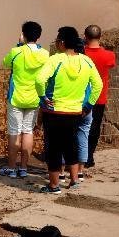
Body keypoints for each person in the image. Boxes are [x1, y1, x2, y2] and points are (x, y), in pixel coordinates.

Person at [35, 26, 102, 193]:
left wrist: (43, 98)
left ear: (62, 42)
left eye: (58, 39)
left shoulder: (55, 60)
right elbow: (98, 85)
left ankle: (54, 185)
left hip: (54, 112)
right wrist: (88, 105)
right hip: (75, 112)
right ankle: (74, 181)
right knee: (71, 146)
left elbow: (39, 79)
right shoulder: (86, 61)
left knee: (54, 149)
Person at [0, 22, 49, 179]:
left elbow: (5, 63)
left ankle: (12, 168)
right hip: (34, 98)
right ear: (38, 36)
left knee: (14, 133)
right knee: (28, 131)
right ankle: (23, 168)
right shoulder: (45, 54)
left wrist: (19, 44)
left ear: (24, 35)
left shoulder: (16, 51)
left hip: (16, 98)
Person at [82, 24, 116, 175]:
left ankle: (77, 158)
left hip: (81, 97)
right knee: (94, 128)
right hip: (99, 97)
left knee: (79, 128)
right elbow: (111, 65)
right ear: (100, 37)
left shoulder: (81, 54)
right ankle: (89, 158)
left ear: (85, 36)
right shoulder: (109, 55)